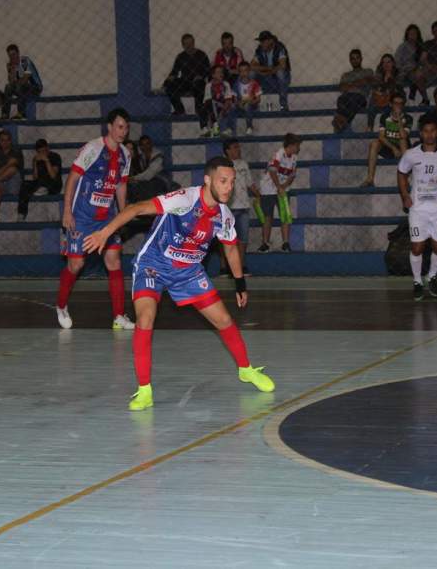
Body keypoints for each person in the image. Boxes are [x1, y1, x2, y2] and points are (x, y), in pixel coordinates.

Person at [81, 157, 276, 411]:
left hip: (188, 272)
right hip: (154, 264)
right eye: (223, 181)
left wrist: (240, 284)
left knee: (225, 321)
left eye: (232, 182)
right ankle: (144, 390)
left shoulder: (223, 216)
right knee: (145, 319)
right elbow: (136, 208)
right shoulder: (184, 199)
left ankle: (246, 370)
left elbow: (230, 251)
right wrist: (104, 233)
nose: (229, 187)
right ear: (207, 180)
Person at [58, 108, 136, 331]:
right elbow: (72, 179)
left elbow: (121, 185)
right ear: (109, 127)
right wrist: (67, 211)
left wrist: (123, 215)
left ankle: (119, 316)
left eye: (126, 127)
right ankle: (61, 305)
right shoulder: (93, 148)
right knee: (77, 264)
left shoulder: (125, 155)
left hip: (107, 218)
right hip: (81, 217)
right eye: (120, 126)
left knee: (114, 261)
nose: (124, 131)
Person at [397, 118, 437, 301]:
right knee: (417, 247)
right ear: (421, 133)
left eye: (432, 130)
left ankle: (431, 276)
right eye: (425, 131)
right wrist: (404, 196)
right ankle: (417, 281)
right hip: (418, 209)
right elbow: (401, 173)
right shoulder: (411, 155)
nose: (429, 134)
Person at [258, 133, 301, 253]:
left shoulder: (294, 157)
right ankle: (265, 243)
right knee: (268, 216)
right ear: (291, 145)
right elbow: (272, 171)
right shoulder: (279, 154)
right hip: (268, 188)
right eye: (297, 145)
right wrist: (278, 186)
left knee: (285, 215)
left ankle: (285, 243)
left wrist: (283, 187)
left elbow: (292, 175)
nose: (298, 148)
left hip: (282, 189)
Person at [361, 92, 412, 187]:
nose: (398, 106)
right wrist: (393, 148)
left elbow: (403, 135)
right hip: (390, 147)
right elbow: (381, 136)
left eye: (401, 103)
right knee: (375, 143)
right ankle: (370, 179)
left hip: (403, 148)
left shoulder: (408, 118)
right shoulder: (385, 117)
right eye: (396, 103)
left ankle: (405, 179)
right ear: (391, 104)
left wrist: (400, 119)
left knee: (402, 140)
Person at [223, 139, 259, 274]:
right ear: (227, 150)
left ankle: (240, 266)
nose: (238, 150)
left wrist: (257, 194)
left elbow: (250, 182)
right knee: (227, 239)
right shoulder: (222, 164)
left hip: (243, 206)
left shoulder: (243, 164)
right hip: (228, 207)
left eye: (238, 147)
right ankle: (226, 267)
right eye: (235, 147)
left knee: (243, 239)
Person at [163, 33, 210, 126]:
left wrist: (201, 75)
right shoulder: (181, 56)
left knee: (199, 84)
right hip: (185, 82)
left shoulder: (202, 55)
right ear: (183, 45)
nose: (189, 46)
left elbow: (208, 70)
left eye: (190, 43)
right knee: (169, 84)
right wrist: (167, 80)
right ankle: (179, 109)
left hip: (198, 82)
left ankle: (199, 108)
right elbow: (174, 72)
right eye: (186, 44)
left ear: (194, 43)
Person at [18, 139, 62, 221]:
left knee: (44, 181)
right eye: (40, 151)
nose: (42, 153)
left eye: (44, 150)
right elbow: (35, 177)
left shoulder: (55, 157)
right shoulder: (37, 159)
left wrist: (47, 161)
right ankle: (21, 213)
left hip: (54, 184)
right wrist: (34, 163)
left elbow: (53, 175)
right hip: (40, 183)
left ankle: (41, 190)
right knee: (24, 184)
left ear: (47, 148)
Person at [332, 49, 375, 133]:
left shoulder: (368, 71)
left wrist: (349, 85)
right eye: (353, 58)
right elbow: (341, 88)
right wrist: (358, 83)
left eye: (357, 58)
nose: (355, 60)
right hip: (346, 98)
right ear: (350, 61)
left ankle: (341, 121)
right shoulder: (346, 75)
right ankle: (343, 122)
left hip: (361, 98)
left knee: (353, 99)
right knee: (340, 99)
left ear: (361, 59)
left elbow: (367, 80)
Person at [251, 31, 291, 111]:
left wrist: (269, 71)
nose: (261, 43)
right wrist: (268, 69)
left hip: (278, 79)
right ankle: (254, 104)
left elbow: (282, 66)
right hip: (267, 77)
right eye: (260, 41)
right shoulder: (259, 50)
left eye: (263, 41)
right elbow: (252, 66)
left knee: (280, 73)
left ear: (270, 40)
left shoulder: (279, 48)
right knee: (251, 74)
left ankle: (283, 105)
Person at [2, 44, 42, 121]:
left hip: (36, 88)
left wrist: (15, 82)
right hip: (22, 89)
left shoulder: (25, 61)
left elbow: (24, 80)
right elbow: (11, 83)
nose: (12, 57)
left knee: (19, 86)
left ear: (18, 53)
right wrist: (12, 71)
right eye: (10, 55)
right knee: (7, 87)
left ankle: (21, 114)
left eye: (14, 54)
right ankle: (5, 115)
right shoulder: (11, 65)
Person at [367, 54, 400, 131]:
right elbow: (376, 88)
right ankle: (370, 126)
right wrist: (384, 82)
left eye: (388, 62)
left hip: (393, 98)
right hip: (381, 98)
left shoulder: (398, 73)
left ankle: (389, 128)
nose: (386, 64)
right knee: (372, 99)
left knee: (393, 101)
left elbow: (397, 88)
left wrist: (390, 80)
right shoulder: (378, 74)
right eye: (384, 62)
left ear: (393, 63)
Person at [202, 65, 236, 138]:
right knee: (205, 106)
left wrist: (223, 110)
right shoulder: (209, 85)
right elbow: (207, 101)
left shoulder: (226, 84)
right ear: (213, 75)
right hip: (213, 106)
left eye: (222, 72)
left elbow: (228, 99)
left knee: (232, 107)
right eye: (218, 72)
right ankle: (209, 127)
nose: (221, 74)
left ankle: (227, 129)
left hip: (224, 106)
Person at [395, 24, 425, 103]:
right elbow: (397, 62)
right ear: (407, 35)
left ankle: (423, 98)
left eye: (414, 34)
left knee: (417, 74)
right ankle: (409, 98)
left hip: (417, 71)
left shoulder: (421, 47)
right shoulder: (402, 47)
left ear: (418, 35)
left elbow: (423, 62)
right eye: (410, 34)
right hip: (404, 71)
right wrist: (406, 68)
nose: (412, 36)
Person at [234, 61, 262, 135]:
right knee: (231, 107)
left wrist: (252, 102)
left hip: (252, 104)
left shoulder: (254, 83)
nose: (243, 73)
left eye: (245, 70)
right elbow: (234, 99)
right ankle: (230, 128)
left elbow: (258, 99)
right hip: (240, 104)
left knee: (247, 106)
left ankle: (249, 126)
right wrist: (238, 103)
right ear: (238, 72)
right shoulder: (236, 85)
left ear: (249, 71)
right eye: (241, 71)